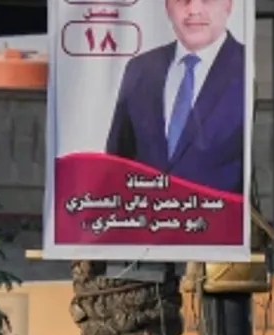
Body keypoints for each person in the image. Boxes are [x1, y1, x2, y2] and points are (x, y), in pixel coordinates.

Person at [104, 0, 247, 196]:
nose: (194, 10)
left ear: (228, 4)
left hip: (220, 213)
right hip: (145, 212)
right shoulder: (140, 69)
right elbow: (117, 161)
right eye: (182, 0)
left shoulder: (248, 67)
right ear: (167, 6)